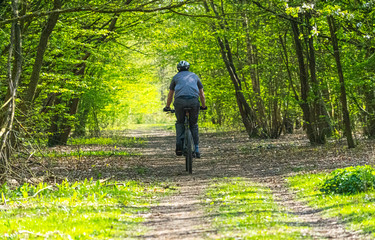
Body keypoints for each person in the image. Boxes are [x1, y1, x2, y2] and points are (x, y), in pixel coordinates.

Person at [163, 60, 207, 158]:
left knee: (180, 123)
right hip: (193, 102)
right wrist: (203, 106)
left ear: (178, 69)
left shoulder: (175, 77)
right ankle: (197, 149)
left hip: (179, 102)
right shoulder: (194, 76)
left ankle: (179, 145)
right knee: (193, 125)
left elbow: (171, 94)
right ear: (188, 68)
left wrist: (167, 107)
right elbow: (202, 94)